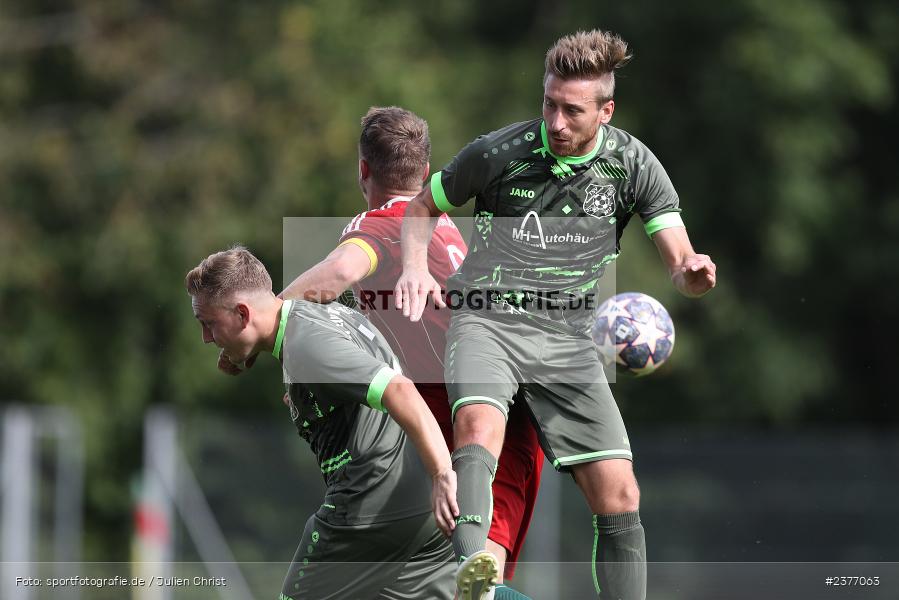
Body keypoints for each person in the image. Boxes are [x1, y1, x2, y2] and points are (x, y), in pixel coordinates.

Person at [395, 30, 717, 600]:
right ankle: (472, 580)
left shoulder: (633, 163)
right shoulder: (498, 152)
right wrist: (414, 269)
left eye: (572, 110)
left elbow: (678, 255)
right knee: (479, 432)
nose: (557, 121)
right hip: (488, 320)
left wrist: (689, 273)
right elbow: (422, 206)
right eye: (550, 104)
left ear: (605, 111)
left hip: (569, 338)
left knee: (620, 494)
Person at [276, 106, 544, 600]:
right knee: (473, 586)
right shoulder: (441, 228)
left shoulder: (381, 224)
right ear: (425, 173)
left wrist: (269, 322)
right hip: (515, 408)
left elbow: (337, 275)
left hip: (468, 422)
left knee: (461, 586)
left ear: (362, 169)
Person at [186, 246, 458, 600]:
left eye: (208, 324)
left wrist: (443, 473)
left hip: (370, 505)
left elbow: (400, 390)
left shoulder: (306, 347)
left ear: (242, 314)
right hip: (421, 508)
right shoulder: (316, 313)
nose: (207, 338)